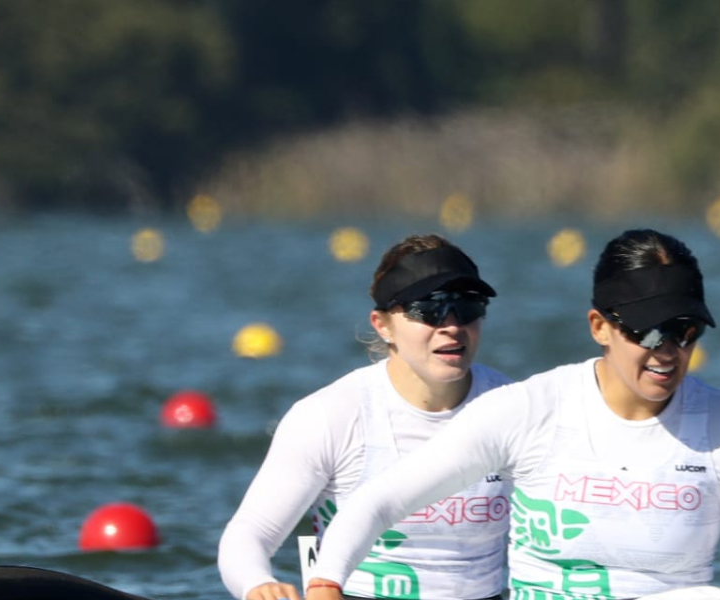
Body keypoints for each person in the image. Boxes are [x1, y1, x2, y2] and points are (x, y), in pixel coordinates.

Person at [304, 228, 720, 600]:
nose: (667, 350)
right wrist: (327, 582)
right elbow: (375, 503)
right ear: (598, 327)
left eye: (684, 332)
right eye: (647, 332)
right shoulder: (528, 410)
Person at [218, 234, 514, 600]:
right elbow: (251, 533)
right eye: (429, 308)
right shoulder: (330, 415)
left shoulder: (514, 409)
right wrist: (258, 586)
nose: (452, 325)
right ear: (382, 324)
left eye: (468, 306)